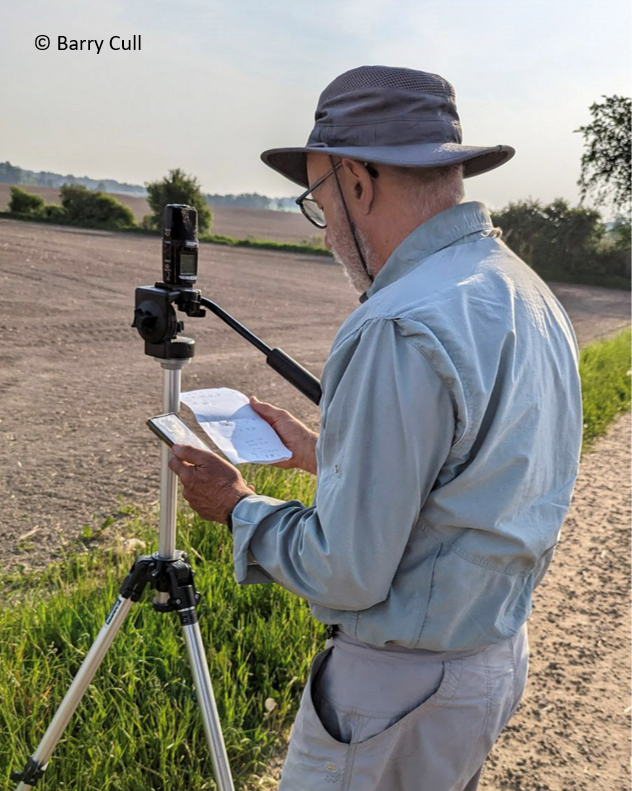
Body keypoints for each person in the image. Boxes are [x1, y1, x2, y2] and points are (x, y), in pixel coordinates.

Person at [168, 66, 583, 791]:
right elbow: (477, 478)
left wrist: (238, 508)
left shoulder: (397, 323)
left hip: (398, 691)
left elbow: (348, 568)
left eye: (318, 199)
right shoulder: (524, 290)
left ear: (359, 182)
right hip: (487, 664)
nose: (325, 226)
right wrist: (324, 455)